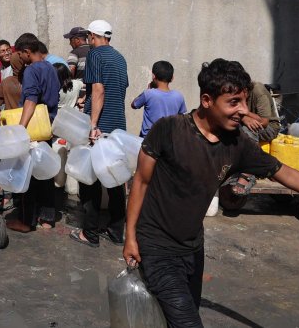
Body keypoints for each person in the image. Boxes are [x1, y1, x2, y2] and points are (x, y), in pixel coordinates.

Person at [123, 59, 299, 326]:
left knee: (182, 317)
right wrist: (130, 237)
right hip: (157, 248)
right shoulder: (168, 130)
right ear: (206, 100)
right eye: (234, 102)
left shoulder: (237, 143)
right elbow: (141, 182)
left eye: (245, 102)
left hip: (193, 248)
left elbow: (289, 175)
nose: (243, 111)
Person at [72, 19, 129, 248]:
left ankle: (90, 233)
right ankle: (116, 232)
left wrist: (93, 123)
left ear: (93, 37)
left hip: (100, 125)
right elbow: (117, 88)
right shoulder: (120, 58)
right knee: (115, 179)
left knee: (90, 181)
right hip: (118, 125)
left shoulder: (95, 56)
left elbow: (98, 89)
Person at [10, 37, 61, 232]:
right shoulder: (51, 68)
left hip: (33, 129)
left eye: (20, 53)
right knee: (45, 173)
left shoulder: (31, 70)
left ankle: (25, 221)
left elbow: (30, 99)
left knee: (27, 175)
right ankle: (47, 218)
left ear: (27, 51)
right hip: (47, 128)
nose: (20, 57)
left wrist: (20, 128)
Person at [131, 60, 187, 139]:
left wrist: (147, 90)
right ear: (172, 78)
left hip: (149, 139)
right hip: (169, 139)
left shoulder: (148, 94)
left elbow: (134, 105)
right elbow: (181, 117)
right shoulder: (179, 96)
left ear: (153, 76)